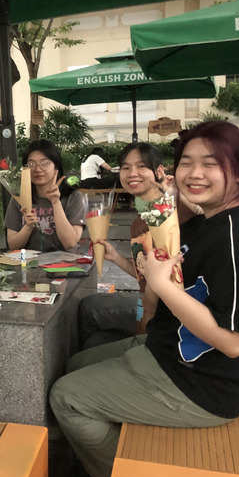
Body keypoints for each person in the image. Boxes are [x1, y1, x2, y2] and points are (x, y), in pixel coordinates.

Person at [50, 121, 239, 477]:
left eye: (210, 163)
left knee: (65, 397)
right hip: (169, 350)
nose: (195, 173)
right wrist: (146, 270)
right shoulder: (209, 221)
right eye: (187, 162)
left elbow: (236, 343)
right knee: (75, 364)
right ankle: (102, 440)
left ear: (238, 171)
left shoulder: (238, 240)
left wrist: (159, 285)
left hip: (204, 385)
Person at [77, 142, 167, 350]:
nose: (132, 173)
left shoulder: (168, 213)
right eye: (126, 167)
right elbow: (143, 274)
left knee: (90, 308)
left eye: (141, 166)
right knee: (96, 341)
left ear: (159, 171)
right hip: (147, 302)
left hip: (166, 313)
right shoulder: (139, 220)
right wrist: (115, 257)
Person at [5, 139, 86, 252]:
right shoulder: (19, 199)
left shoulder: (73, 197)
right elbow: (13, 245)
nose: (38, 169)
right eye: (31, 164)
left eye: (44, 163)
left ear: (56, 167)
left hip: (66, 261)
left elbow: (70, 243)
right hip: (30, 261)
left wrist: (55, 202)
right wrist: (28, 227)